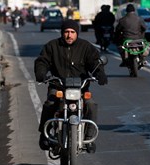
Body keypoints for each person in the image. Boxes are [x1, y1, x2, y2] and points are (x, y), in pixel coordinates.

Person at [34, 19, 108, 153]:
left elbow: (94, 62)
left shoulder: (85, 47)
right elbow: (42, 61)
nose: (69, 35)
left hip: (80, 88)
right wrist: (41, 73)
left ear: (77, 33)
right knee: (50, 103)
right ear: (62, 33)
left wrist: (100, 73)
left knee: (91, 105)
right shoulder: (52, 46)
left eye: (72, 32)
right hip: (58, 86)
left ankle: (89, 138)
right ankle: (43, 134)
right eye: (67, 32)